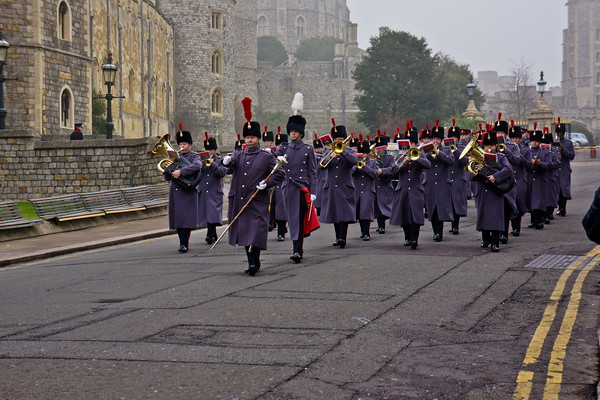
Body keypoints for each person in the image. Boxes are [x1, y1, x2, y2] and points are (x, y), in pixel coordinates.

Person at [222, 98, 285, 276]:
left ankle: (254, 262)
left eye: (252, 137)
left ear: (258, 139)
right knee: (244, 232)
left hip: (257, 199)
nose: (249, 140)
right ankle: (252, 263)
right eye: (247, 137)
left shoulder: (266, 157)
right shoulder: (239, 154)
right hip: (240, 199)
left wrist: (266, 184)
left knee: (255, 231)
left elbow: (279, 174)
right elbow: (229, 166)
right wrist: (225, 161)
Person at [279, 95, 319, 262]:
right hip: (287, 188)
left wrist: (313, 192)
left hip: (301, 189)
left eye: (296, 131)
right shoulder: (283, 148)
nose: (293, 133)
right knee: (291, 219)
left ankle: (297, 250)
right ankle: (296, 247)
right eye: (291, 131)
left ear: (300, 132)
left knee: (298, 219)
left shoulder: (308, 149)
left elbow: (312, 172)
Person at [388, 127, 431, 249]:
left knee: (415, 216)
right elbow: (393, 171)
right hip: (402, 189)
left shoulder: (420, 154)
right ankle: (407, 237)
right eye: (408, 143)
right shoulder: (399, 156)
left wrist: (417, 159)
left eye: (411, 143)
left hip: (416, 189)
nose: (410, 146)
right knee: (405, 215)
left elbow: (428, 165)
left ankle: (414, 239)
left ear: (415, 144)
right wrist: (403, 161)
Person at [471, 130, 514, 252]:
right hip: (482, 191)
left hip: (495, 191)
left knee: (495, 217)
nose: (489, 148)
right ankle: (485, 240)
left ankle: (495, 243)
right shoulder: (477, 158)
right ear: (483, 146)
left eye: (492, 145)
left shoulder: (501, 157)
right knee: (483, 215)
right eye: (487, 145)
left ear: (495, 145)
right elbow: (470, 176)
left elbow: (509, 169)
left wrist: (496, 177)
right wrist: (476, 170)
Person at [319, 121, 358, 248]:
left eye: (341, 139)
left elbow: (354, 161)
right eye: (336, 139)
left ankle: (342, 238)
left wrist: (343, 152)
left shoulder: (349, 151)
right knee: (335, 213)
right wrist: (331, 155)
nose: (338, 141)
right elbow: (322, 165)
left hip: (344, 186)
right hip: (331, 186)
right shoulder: (329, 152)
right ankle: (338, 237)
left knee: (344, 213)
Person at [168, 130, 202, 253]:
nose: (182, 147)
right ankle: (181, 242)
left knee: (186, 219)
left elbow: (198, 166)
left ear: (190, 145)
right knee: (178, 219)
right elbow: (168, 174)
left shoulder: (194, 156)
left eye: (185, 144)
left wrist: (181, 172)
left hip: (187, 190)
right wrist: (168, 171)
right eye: (181, 144)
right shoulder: (175, 157)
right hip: (176, 190)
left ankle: (184, 243)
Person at [424, 120, 455, 242]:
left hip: (443, 183)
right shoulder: (426, 150)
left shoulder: (446, 150)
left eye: (437, 139)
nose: (435, 141)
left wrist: (439, 153)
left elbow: (451, 161)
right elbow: (421, 161)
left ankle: (439, 232)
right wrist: (429, 154)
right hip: (430, 183)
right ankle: (435, 232)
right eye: (434, 139)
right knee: (432, 208)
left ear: (441, 140)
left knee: (441, 208)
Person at [197, 132, 227, 245]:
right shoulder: (200, 161)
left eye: (212, 150)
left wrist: (212, 164)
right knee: (208, 214)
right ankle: (212, 234)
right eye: (208, 150)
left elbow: (222, 172)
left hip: (215, 191)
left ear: (215, 150)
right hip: (204, 191)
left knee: (213, 213)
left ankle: (209, 235)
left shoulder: (220, 160)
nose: (210, 152)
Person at [352, 136, 380, 241]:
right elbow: (351, 173)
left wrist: (365, 166)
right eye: (361, 153)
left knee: (366, 212)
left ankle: (367, 232)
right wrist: (356, 166)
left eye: (364, 153)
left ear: (368, 153)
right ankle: (362, 231)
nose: (363, 155)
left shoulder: (373, 162)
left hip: (368, 189)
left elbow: (375, 174)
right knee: (359, 211)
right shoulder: (354, 162)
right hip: (357, 189)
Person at [446, 122, 469, 235]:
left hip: (458, 178)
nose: (453, 139)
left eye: (455, 137)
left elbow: (465, 161)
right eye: (451, 137)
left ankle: (455, 226)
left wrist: (455, 151)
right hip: (447, 178)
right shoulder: (445, 149)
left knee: (456, 203)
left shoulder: (462, 149)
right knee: (448, 203)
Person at [508, 124, 531, 236]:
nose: (514, 140)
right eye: (512, 138)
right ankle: (510, 227)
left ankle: (516, 227)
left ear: (520, 138)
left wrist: (520, 156)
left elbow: (529, 164)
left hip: (520, 178)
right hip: (509, 179)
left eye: (516, 138)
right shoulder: (506, 148)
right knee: (509, 203)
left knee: (518, 202)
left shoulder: (525, 150)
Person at [526, 126, 550, 230]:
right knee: (531, 200)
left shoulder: (545, 152)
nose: (534, 143)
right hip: (530, 177)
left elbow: (549, 164)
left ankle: (539, 220)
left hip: (540, 178)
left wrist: (540, 164)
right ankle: (533, 220)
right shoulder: (527, 152)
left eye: (536, 141)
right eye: (532, 141)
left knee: (539, 201)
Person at [373, 132, 394, 234]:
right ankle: (380, 225)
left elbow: (392, 168)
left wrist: (383, 171)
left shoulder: (390, 157)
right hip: (376, 184)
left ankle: (383, 225)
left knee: (384, 205)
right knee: (377, 206)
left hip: (385, 183)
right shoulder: (374, 157)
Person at [555, 119, 576, 216]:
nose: (559, 134)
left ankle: (563, 208)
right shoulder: (553, 142)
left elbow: (571, 156)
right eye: (558, 132)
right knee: (556, 189)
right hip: (555, 168)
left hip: (564, 168)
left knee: (564, 189)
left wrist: (563, 149)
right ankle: (559, 206)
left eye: (561, 132)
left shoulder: (568, 143)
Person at [273, 128, 289, 241]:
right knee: (275, 210)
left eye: (280, 145)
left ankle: (281, 232)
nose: (278, 147)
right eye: (277, 145)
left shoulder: (288, 154)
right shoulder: (273, 155)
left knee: (282, 210)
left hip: (285, 184)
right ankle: (280, 229)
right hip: (274, 185)